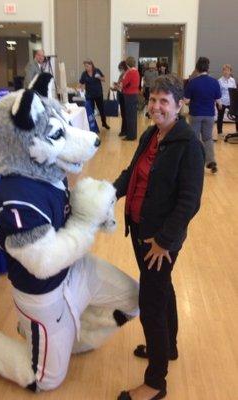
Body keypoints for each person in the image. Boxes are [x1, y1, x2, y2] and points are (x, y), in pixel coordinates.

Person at [114, 75, 205, 400]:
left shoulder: (190, 145)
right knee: (162, 288)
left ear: (179, 105)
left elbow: (189, 201)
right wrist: (108, 193)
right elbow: (131, 173)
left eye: (164, 101)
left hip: (160, 241)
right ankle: (169, 348)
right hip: (139, 230)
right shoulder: (151, 135)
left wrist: (165, 240)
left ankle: (156, 382)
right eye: (152, 100)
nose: (156, 107)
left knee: (150, 303)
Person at [184, 57, 221, 173]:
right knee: (208, 138)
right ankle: (211, 161)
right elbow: (218, 100)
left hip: (195, 114)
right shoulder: (214, 82)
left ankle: (194, 162)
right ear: (208, 68)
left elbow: (186, 101)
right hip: (209, 115)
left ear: (197, 68)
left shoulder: (193, 83)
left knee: (194, 139)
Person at [79, 59, 110, 129]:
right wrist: (80, 88)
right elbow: (81, 83)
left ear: (91, 65)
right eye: (85, 66)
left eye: (87, 66)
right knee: (91, 110)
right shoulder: (84, 74)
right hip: (89, 95)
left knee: (101, 110)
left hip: (98, 94)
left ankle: (104, 123)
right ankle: (92, 125)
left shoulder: (97, 70)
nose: (86, 68)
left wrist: (99, 77)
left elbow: (104, 79)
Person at [120, 56, 140, 141]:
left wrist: (122, 80)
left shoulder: (130, 72)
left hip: (129, 95)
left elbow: (123, 83)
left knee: (130, 116)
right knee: (133, 116)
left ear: (127, 64)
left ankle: (130, 136)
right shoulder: (136, 71)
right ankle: (132, 134)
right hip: (134, 94)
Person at [217, 64, 238, 135]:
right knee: (220, 116)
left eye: (228, 70)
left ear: (230, 72)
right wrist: (219, 102)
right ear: (222, 71)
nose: (226, 72)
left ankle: (237, 131)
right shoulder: (219, 81)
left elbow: (235, 92)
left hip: (231, 102)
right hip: (222, 101)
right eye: (224, 70)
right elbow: (218, 93)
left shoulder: (232, 80)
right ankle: (219, 132)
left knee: (237, 115)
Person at [112, 61, 128, 136]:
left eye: (121, 68)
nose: (120, 70)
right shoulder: (122, 74)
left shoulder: (127, 74)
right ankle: (123, 130)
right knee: (123, 114)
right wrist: (115, 86)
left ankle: (124, 131)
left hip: (124, 95)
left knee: (125, 114)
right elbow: (120, 85)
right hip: (121, 95)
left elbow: (124, 86)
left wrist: (117, 86)